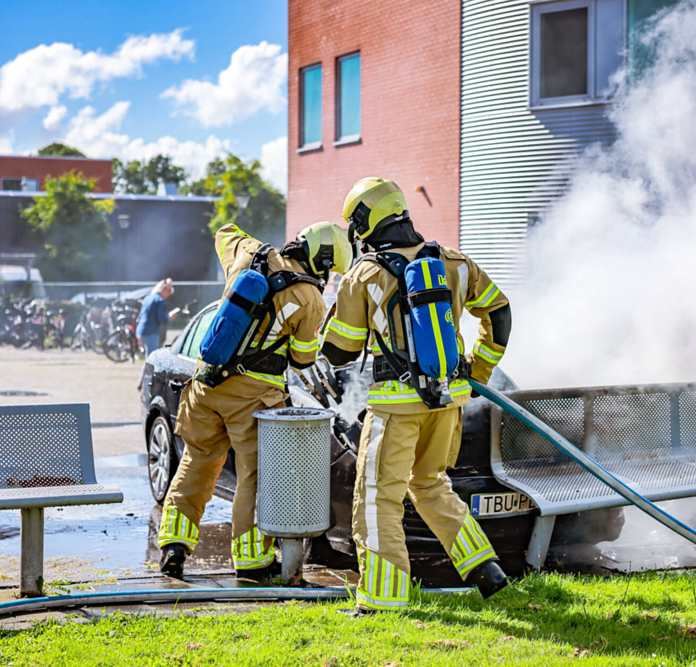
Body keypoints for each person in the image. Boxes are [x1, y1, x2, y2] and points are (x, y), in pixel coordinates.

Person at [321, 177, 513, 615]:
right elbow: (499, 314)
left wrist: (334, 310)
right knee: (429, 484)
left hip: (395, 409)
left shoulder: (365, 274)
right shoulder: (455, 262)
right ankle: (487, 572)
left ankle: (382, 602)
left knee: (377, 497)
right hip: (448, 402)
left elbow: (339, 352)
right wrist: (476, 369)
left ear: (364, 222)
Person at [157, 222, 353, 579]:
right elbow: (303, 359)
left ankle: (173, 545)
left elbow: (223, 233)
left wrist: (237, 234)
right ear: (322, 262)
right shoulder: (310, 299)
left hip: (206, 384)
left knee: (196, 461)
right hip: (254, 397)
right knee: (255, 476)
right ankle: (252, 561)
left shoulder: (251, 255)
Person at [136, 278, 177, 354]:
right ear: (165, 290)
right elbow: (161, 319)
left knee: (148, 358)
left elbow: (140, 316)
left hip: (141, 331)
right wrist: (169, 317)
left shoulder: (147, 298)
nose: (169, 295)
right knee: (152, 359)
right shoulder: (160, 300)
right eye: (169, 292)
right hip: (151, 333)